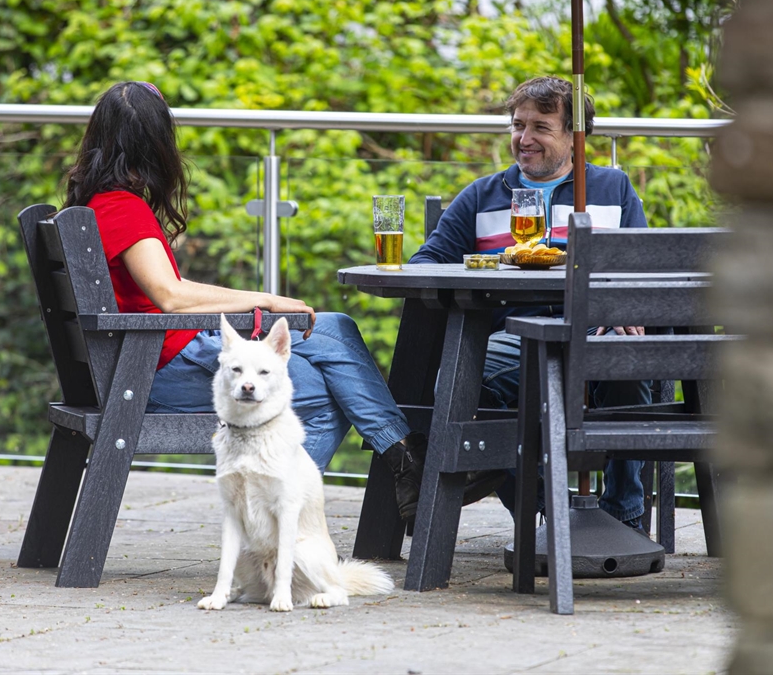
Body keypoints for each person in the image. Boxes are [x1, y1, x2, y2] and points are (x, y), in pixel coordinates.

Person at [62, 81, 505, 523]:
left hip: (154, 357)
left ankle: (404, 459)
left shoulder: (103, 204)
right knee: (323, 393)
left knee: (335, 327)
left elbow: (166, 291)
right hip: (152, 371)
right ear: (156, 144)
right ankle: (289, 519)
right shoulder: (122, 208)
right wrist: (265, 300)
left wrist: (268, 305)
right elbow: (171, 295)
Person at [410, 76, 652, 537]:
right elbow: (427, 266)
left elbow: (639, 267)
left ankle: (624, 516)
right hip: (512, 341)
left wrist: (621, 304)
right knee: (460, 381)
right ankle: (546, 510)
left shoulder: (611, 189)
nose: (524, 139)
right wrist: (489, 266)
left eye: (541, 127)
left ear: (575, 136)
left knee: (630, 364)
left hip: (592, 333)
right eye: (517, 126)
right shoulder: (482, 195)